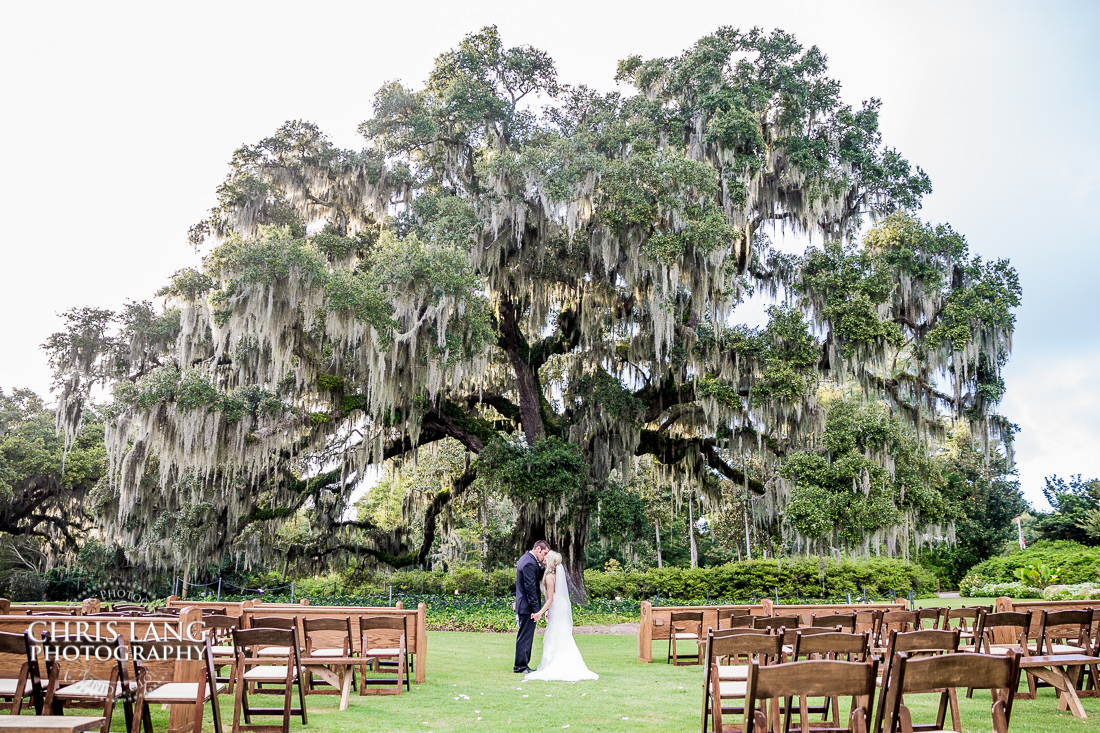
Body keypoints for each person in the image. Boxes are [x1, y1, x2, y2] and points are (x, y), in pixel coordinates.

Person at [524, 550, 599, 682]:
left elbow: (550, 598)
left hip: (556, 606)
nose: (544, 559)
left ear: (550, 561)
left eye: (546, 558)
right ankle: (566, 662)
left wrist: (539, 613)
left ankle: (554, 663)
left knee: (554, 632)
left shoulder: (549, 577)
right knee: (562, 632)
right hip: (561, 605)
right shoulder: (556, 575)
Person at [514, 539, 550, 673]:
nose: (544, 556)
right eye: (544, 553)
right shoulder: (529, 562)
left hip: (525, 605)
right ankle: (520, 666)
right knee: (525, 637)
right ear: (538, 549)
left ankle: (523, 664)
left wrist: (544, 568)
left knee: (526, 636)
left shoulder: (528, 559)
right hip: (527, 607)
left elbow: (534, 578)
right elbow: (530, 588)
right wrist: (537, 611)